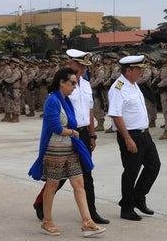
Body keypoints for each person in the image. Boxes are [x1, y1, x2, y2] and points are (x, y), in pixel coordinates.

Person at [32, 49, 109, 224]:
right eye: (80, 66)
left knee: (86, 173)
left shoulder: (87, 85)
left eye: (85, 67)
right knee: (58, 176)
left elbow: (90, 111)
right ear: (71, 64)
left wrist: (92, 135)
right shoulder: (64, 85)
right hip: (66, 134)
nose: (83, 70)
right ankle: (41, 203)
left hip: (82, 134)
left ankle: (91, 212)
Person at [108, 55, 161, 221]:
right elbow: (116, 115)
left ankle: (138, 197)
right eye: (138, 69)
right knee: (131, 171)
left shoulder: (133, 84)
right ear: (129, 71)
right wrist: (127, 138)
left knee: (153, 166)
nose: (141, 72)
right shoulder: (118, 88)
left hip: (144, 134)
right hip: (131, 135)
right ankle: (126, 208)